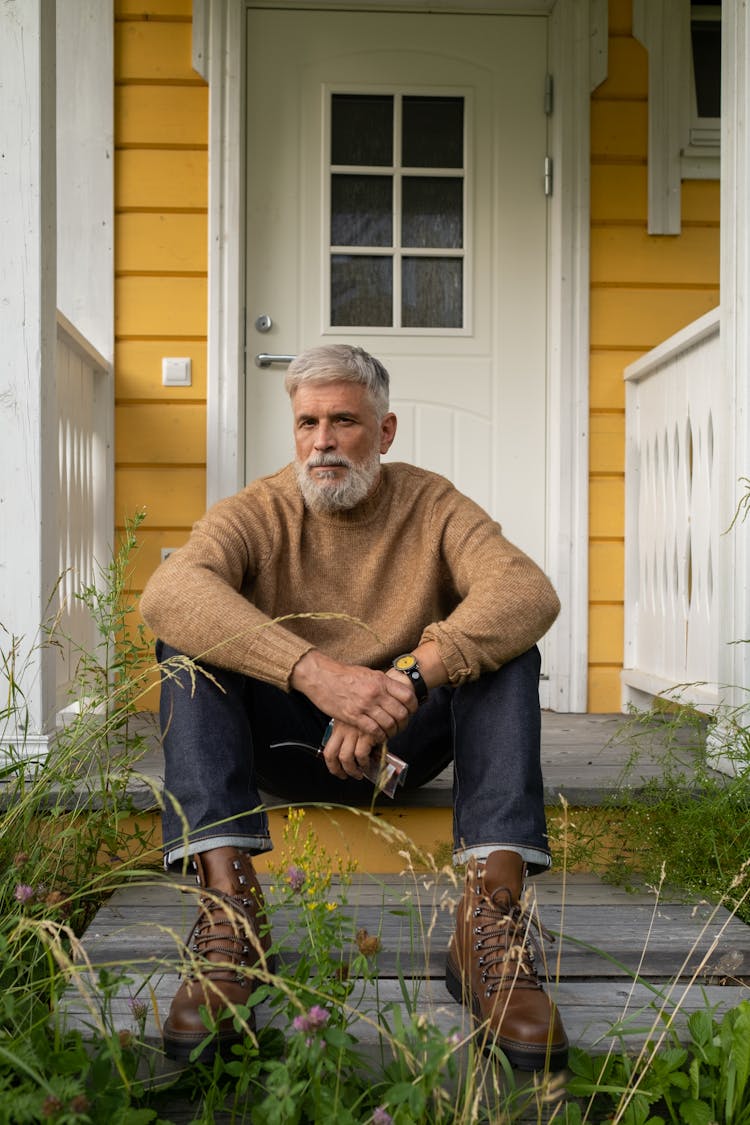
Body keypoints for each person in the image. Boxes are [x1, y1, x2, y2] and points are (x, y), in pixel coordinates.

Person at [140, 344, 568, 1071]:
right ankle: (230, 910)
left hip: (406, 738)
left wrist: (405, 678)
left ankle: (488, 921)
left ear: (387, 430)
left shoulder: (433, 504)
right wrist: (315, 675)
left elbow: (528, 592)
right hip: (285, 742)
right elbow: (167, 594)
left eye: (344, 420)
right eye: (308, 422)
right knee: (184, 646)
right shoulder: (260, 509)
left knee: (506, 651)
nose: (323, 441)